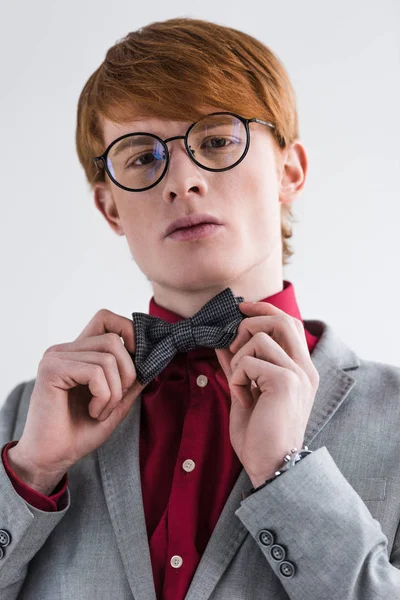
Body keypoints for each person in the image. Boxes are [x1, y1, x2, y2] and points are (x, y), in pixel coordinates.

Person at [0, 16, 399, 600]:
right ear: (110, 209)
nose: (182, 181)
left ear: (289, 172)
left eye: (216, 141)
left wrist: (289, 476)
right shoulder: (25, 421)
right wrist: (29, 477)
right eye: (142, 158)